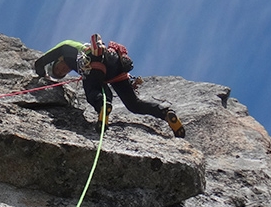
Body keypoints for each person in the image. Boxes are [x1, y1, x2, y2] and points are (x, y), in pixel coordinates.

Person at [33, 35, 185, 137]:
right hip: (114, 66)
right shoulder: (76, 64)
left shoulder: (68, 50)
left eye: (58, 68)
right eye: (61, 73)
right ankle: (166, 113)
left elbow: (42, 61)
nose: (63, 70)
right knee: (134, 104)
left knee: (92, 90)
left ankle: (103, 106)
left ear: (58, 60)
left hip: (94, 60)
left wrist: (41, 71)